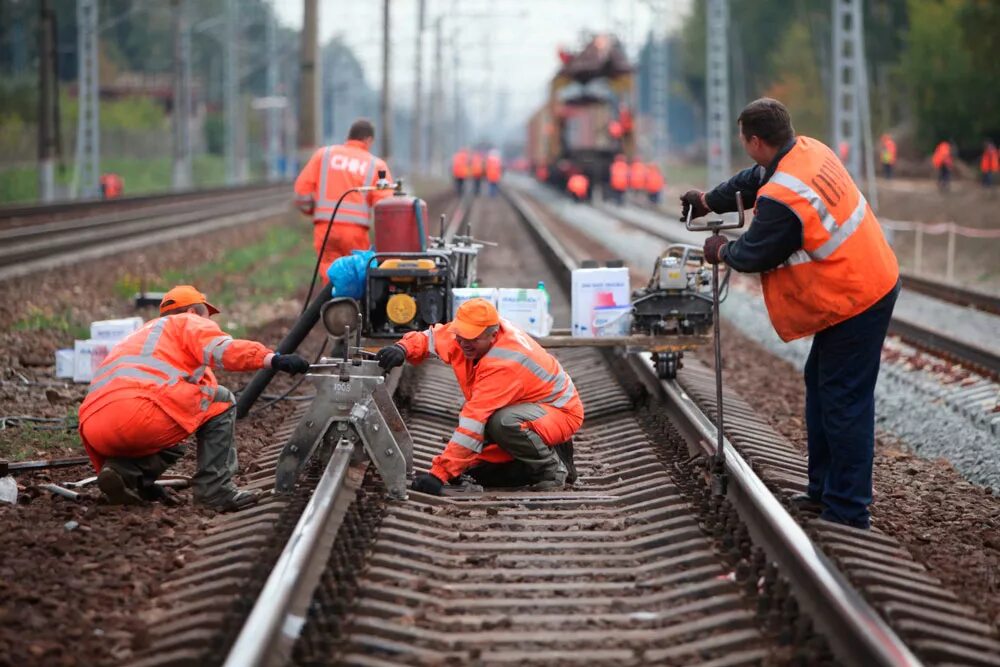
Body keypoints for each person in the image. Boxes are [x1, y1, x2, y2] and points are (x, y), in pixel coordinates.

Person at [679, 98, 900, 530]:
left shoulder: (784, 198)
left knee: (844, 400)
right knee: (823, 385)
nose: (745, 149)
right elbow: (753, 179)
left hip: (858, 296)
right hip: (860, 280)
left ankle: (849, 510)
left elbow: (757, 251)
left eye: (745, 141)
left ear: (756, 140)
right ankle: (824, 492)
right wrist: (709, 201)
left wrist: (720, 249)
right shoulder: (806, 151)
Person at [78, 285, 312, 511]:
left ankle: (125, 474)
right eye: (206, 316)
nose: (210, 323)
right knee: (221, 400)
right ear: (192, 312)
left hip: (94, 427)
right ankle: (215, 491)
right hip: (140, 417)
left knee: (177, 422)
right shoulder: (187, 322)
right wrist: (272, 358)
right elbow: (225, 350)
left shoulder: (140, 335)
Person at [374, 298, 583, 495]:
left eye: (472, 339)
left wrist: (439, 475)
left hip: (559, 412)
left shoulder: (504, 363)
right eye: (460, 336)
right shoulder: (466, 337)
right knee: (479, 467)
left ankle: (553, 470)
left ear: (492, 335)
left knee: (502, 423)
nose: (464, 343)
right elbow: (430, 338)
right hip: (527, 407)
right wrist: (403, 348)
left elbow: (473, 422)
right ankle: (542, 453)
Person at [293, 119, 393, 280]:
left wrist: (313, 210)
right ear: (368, 140)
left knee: (330, 275)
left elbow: (301, 193)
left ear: (350, 137)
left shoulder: (324, 155)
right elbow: (386, 206)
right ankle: (351, 304)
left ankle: (332, 303)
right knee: (356, 276)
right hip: (356, 232)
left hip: (326, 228)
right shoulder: (376, 164)